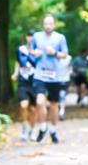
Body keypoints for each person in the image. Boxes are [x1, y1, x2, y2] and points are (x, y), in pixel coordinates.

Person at [29, 14, 68, 143]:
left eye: (50, 24)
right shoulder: (37, 36)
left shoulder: (60, 38)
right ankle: (43, 127)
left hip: (55, 76)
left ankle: (53, 130)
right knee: (40, 102)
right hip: (40, 74)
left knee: (54, 105)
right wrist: (35, 53)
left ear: (54, 25)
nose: (48, 26)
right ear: (43, 24)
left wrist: (55, 53)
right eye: (46, 24)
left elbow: (65, 55)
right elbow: (31, 51)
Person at [11, 30, 38, 140]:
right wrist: (15, 73)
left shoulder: (38, 51)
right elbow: (17, 62)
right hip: (23, 81)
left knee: (33, 109)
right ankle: (24, 126)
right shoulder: (20, 49)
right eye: (29, 36)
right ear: (26, 37)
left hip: (35, 82)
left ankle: (32, 131)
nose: (30, 38)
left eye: (33, 36)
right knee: (23, 105)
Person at [57, 51, 72, 121]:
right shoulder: (54, 56)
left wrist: (71, 72)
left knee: (62, 95)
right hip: (55, 80)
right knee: (57, 96)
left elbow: (71, 67)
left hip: (65, 79)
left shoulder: (69, 58)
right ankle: (57, 110)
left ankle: (62, 111)